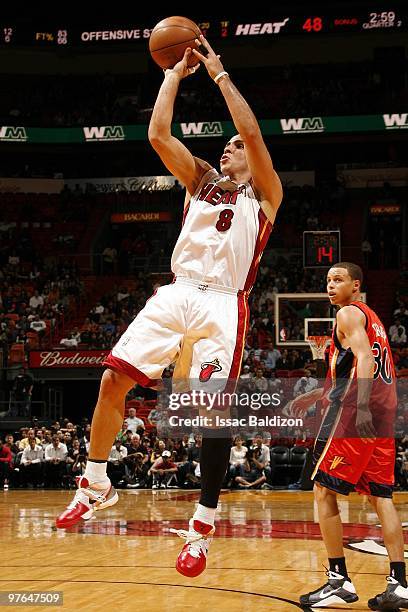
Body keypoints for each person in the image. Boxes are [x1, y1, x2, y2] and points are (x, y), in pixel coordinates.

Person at [55, 34, 282, 579]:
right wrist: (174, 76)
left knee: (209, 414)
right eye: (223, 145)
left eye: (233, 146)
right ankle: (96, 481)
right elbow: (158, 134)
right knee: (112, 380)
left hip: (225, 306)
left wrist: (220, 74)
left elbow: (250, 130)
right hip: (178, 292)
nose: (228, 148)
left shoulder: (266, 195)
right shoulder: (200, 180)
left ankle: (202, 526)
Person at [286, 262, 407, 610]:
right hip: (384, 416)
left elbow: (365, 360)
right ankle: (399, 583)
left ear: (356, 286)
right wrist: (315, 394)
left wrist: (363, 406)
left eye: (338, 280)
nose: (330, 285)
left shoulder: (349, 314)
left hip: (358, 414)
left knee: (323, 490)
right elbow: (355, 366)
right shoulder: (374, 319)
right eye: (327, 280)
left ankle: (337, 580)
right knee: (381, 497)